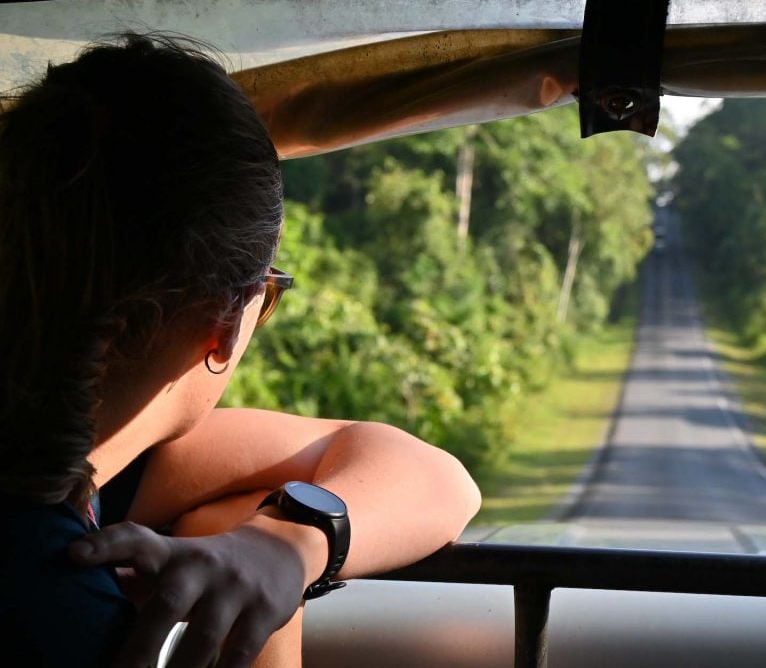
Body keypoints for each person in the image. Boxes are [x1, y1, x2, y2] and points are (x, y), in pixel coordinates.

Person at [0, 33, 481, 667]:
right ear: (225, 322)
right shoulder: (71, 610)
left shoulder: (78, 463)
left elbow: (431, 476)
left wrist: (282, 540)